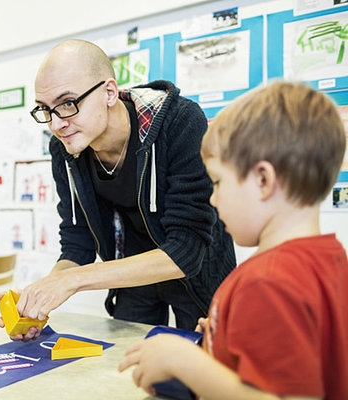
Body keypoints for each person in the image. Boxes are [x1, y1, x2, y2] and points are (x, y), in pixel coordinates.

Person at [119, 81, 348, 399]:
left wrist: (184, 361)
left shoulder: (268, 282)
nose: (212, 200)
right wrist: (224, 337)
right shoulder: (331, 258)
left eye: (217, 182)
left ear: (263, 180)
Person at [0, 39, 236, 339]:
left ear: (109, 92)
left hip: (197, 270)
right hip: (131, 273)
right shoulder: (65, 151)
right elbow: (77, 245)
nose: (56, 124)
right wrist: (37, 299)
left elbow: (186, 251)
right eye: (46, 109)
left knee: (206, 368)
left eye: (68, 104)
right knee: (126, 367)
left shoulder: (180, 121)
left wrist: (73, 281)